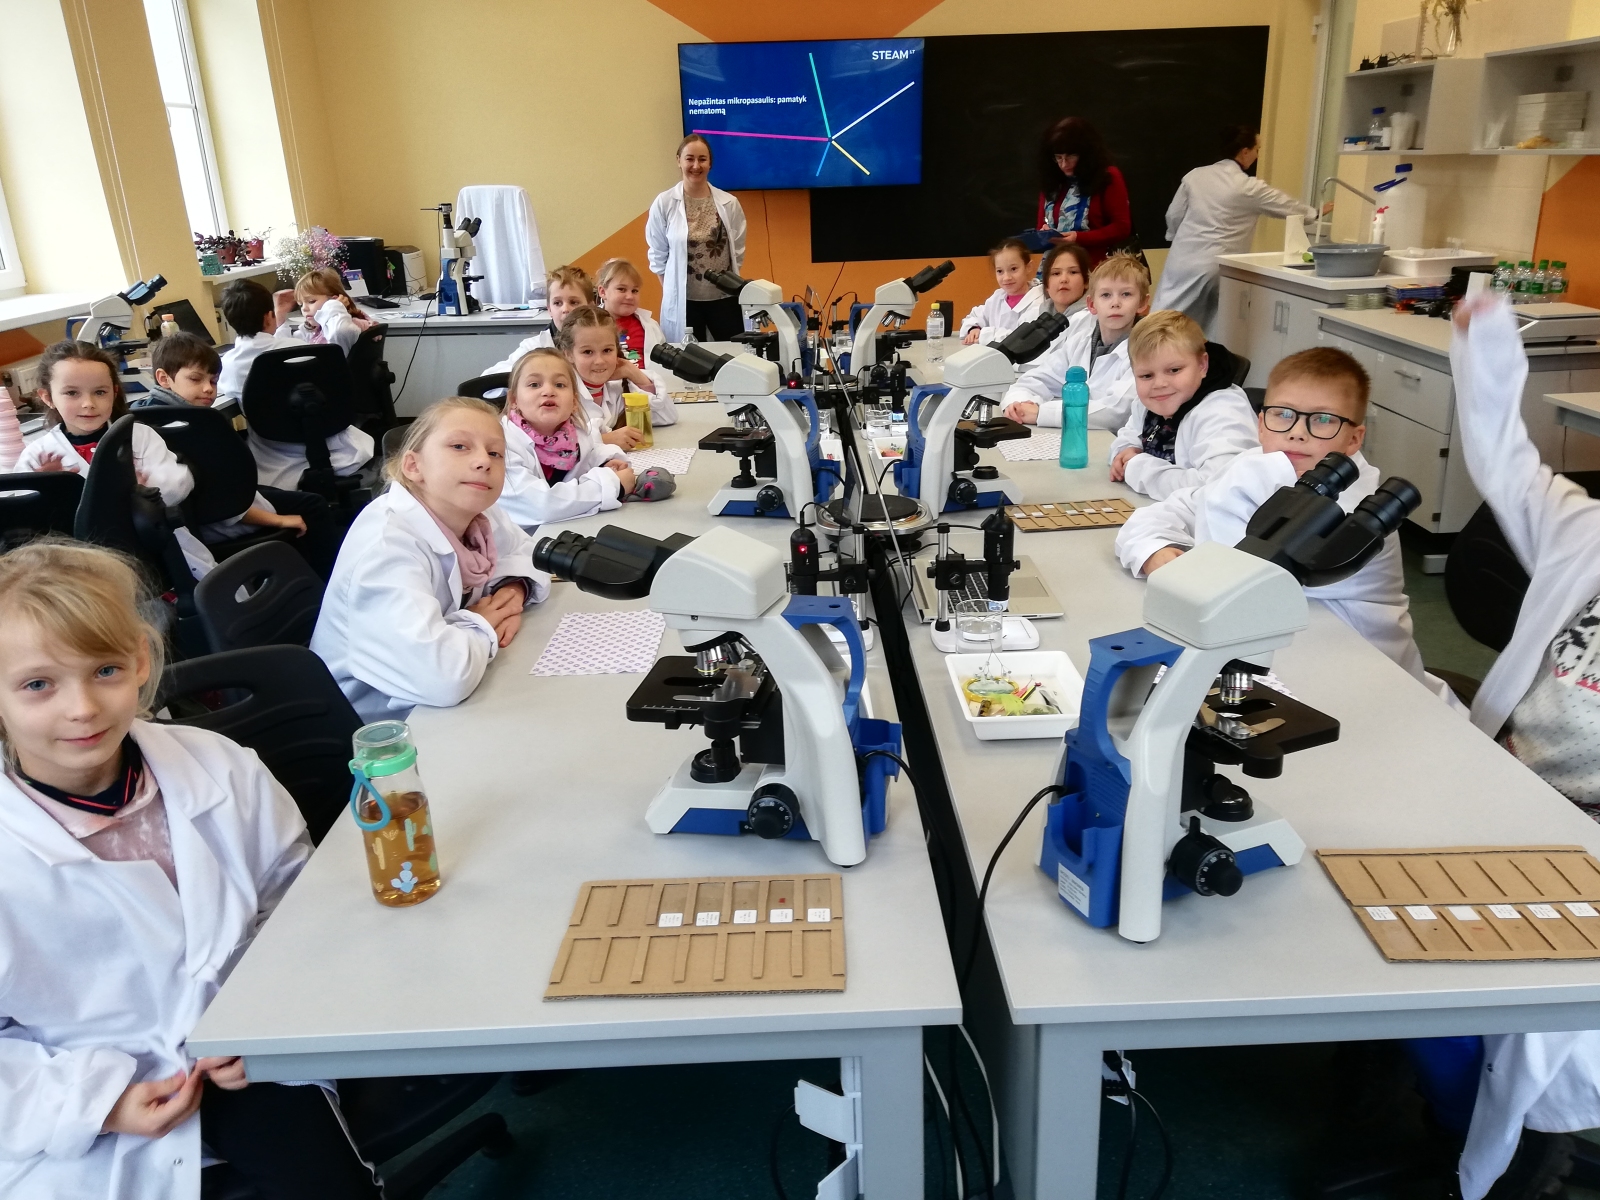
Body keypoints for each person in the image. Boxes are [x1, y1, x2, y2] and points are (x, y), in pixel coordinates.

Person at [0, 539, 384, 1199]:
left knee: (322, 1182)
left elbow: (298, 908)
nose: (82, 708)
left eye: (105, 670)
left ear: (141, 660)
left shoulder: (220, 767)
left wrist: (264, 1018)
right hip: (77, 1093)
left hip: (245, 1056)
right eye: (39, 685)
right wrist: (95, 1103)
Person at [1390, 295, 1600, 1200]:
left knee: (1487, 971)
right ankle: (1453, 1101)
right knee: (1362, 889)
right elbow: (1507, 463)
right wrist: (1485, 351)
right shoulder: (1586, 536)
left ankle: (1511, 1155)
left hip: (1579, 838)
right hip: (1505, 785)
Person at [1115, 348, 1449, 695]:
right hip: (1280, 647)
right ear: (1260, 425)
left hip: (1359, 666)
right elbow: (1164, 513)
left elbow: (1235, 586)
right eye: (1283, 414)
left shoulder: (1355, 511)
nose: (1297, 433)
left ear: (1354, 439)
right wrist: (1154, 552)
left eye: (1323, 419)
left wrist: (1187, 561)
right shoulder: (1254, 463)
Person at [310, 396, 550, 721]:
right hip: (389, 725)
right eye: (459, 446)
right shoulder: (386, 548)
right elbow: (444, 677)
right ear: (413, 466)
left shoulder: (476, 513)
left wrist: (512, 590)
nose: (484, 461)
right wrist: (482, 622)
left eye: (495, 452)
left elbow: (532, 555)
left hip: (461, 696)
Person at [131, 333, 342, 573]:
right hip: (217, 518)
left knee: (279, 495)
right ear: (164, 378)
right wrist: (279, 520)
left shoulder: (141, 415)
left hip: (198, 517)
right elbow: (221, 502)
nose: (208, 389)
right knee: (312, 505)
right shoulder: (198, 427)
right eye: (195, 379)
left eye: (213, 381)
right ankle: (331, 581)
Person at [14, 341, 215, 579]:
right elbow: (24, 516)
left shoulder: (139, 436)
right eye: (72, 393)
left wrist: (147, 488)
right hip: (78, 563)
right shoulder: (37, 454)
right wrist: (48, 489)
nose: (88, 404)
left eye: (100, 392)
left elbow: (179, 482)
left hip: (152, 551)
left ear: (114, 392)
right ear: (47, 397)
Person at [1151, 124, 1319, 336]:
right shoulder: (1249, 187)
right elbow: (1287, 206)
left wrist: (1176, 239)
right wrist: (1315, 213)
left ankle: (1143, 355)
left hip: (1183, 260)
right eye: (1257, 149)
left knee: (1162, 323)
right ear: (1245, 151)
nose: (1257, 155)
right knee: (1214, 330)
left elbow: (1173, 215)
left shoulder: (1195, 176)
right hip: (1220, 267)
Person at [216, 279, 376, 490]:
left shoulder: (229, 366)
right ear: (269, 316)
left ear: (230, 322)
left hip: (274, 461)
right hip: (334, 451)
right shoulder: (301, 349)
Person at [1107, 310, 1258, 500]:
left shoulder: (1224, 412)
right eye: (1146, 375)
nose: (1159, 384)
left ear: (1202, 365)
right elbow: (1127, 436)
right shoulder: (1150, 402)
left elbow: (1217, 489)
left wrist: (1138, 468)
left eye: (1174, 370)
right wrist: (1126, 450)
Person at [1003, 251, 1150, 432]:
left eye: (1126, 294)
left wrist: (1041, 413)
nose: (1115, 303)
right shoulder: (1079, 343)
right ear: (1091, 304)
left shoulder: (1145, 352)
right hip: (1081, 433)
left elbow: (1115, 413)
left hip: (1115, 441)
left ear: (1142, 303)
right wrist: (1018, 405)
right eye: (1106, 295)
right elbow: (1034, 380)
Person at [498, 348, 637, 528]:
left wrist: (605, 463)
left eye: (559, 385)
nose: (548, 391)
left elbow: (593, 451)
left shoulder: (575, 433)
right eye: (534, 384)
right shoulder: (501, 445)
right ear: (514, 400)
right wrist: (613, 484)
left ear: (574, 402)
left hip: (567, 530)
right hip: (521, 539)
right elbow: (540, 506)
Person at [645, 134, 748, 343]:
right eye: (689, 159)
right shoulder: (664, 203)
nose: (695, 165)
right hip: (685, 303)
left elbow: (737, 251)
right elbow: (658, 256)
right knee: (689, 358)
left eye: (702, 159)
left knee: (734, 354)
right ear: (678, 161)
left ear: (710, 163)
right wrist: (673, 292)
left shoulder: (729, 203)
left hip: (724, 299)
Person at [555, 305, 676, 449]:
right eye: (587, 352)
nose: (599, 361)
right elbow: (549, 444)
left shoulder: (615, 387)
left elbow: (666, 417)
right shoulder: (557, 393)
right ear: (568, 354)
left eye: (607, 350)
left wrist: (635, 374)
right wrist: (604, 440)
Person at [1036, 117, 1133, 268]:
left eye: (1070, 156)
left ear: (1086, 154)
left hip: (1098, 269)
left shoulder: (1107, 177)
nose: (1064, 164)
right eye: (1058, 157)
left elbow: (1122, 227)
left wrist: (1078, 238)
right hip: (1055, 268)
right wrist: (1044, 234)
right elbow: (1039, 226)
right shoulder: (1052, 181)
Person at [484, 264, 595, 376]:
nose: (565, 309)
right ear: (549, 309)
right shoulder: (534, 347)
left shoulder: (601, 342)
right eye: (557, 303)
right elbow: (488, 376)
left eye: (574, 302)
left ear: (590, 307)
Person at [596, 258, 668, 388]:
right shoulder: (590, 326)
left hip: (645, 391)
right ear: (602, 291)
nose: (629, 296)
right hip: (607, 391)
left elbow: (662, 368)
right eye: (622, 289)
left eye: (634, 291)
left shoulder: (650, 326)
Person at [959, 239, 1046, 346]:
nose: (1006, 277)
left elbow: (1020, 338)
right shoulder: (997, 298)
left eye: (1013, 269)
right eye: (1000, 271)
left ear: (1028, 267)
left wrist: (983, 335)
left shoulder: (1039, 301)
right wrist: (974, 329)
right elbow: (974, 316)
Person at [274, 267, 373, 354]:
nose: (304, 308)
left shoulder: (350, 325)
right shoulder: (315, 331)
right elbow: (285, 348)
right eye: (301, 304)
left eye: (311, 301)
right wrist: (280, 315)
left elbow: (340, 332)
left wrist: (335, 306)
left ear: (333, 301)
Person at [1038, 241, 1091, 320]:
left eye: (1073, 272)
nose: (1063, 279)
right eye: (1056, 273)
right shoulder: (1036, 315)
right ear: (1046, 284)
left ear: (1086, 281)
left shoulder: (1095, 319)